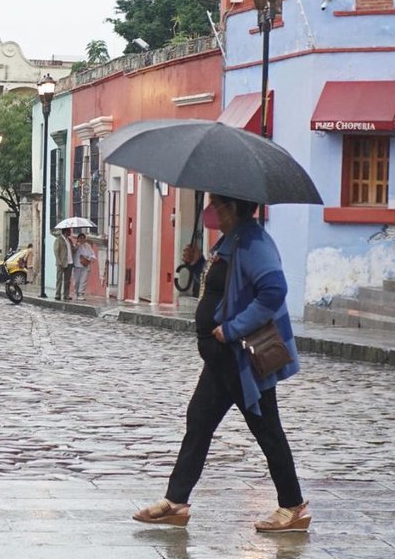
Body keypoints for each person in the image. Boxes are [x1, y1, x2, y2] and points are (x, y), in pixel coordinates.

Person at [134, 194, 308, 533]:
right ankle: (176, 501)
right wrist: (199, 264)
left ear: (231, 208)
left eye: (216, 203)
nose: (210, 209)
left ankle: (293, 506)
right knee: (199, 421)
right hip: (220, 359)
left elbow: (273, 291)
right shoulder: (232, 240)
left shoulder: (255, 242)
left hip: (240, 357)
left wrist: (232, 329)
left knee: (267, 428)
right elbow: (226, 288)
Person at [72, 233, 96, 298]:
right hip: (77, 265)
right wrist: (77, 246)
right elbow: (72, 252)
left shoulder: (88, 246)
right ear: (78, 239)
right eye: (80, 238)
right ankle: (76, 292)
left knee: (83, 280)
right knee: (76, 281)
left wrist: (92, 258)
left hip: (85, 265)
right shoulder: (75, 246)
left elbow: (92, 254)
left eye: (83, 238)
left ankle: (81, 293)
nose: (82, 239)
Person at [53, 228, 74, 300]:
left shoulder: (69, 240)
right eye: (69, 231)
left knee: (67, 280)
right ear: (65, 231)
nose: (70, 232)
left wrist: (77, 246)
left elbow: (73, 250)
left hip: (69, 262)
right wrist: (58, 260)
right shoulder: (58, 240)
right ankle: (57, 294)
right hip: (61, 262)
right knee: (59, 279)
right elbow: (56, 251)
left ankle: (66, 295)